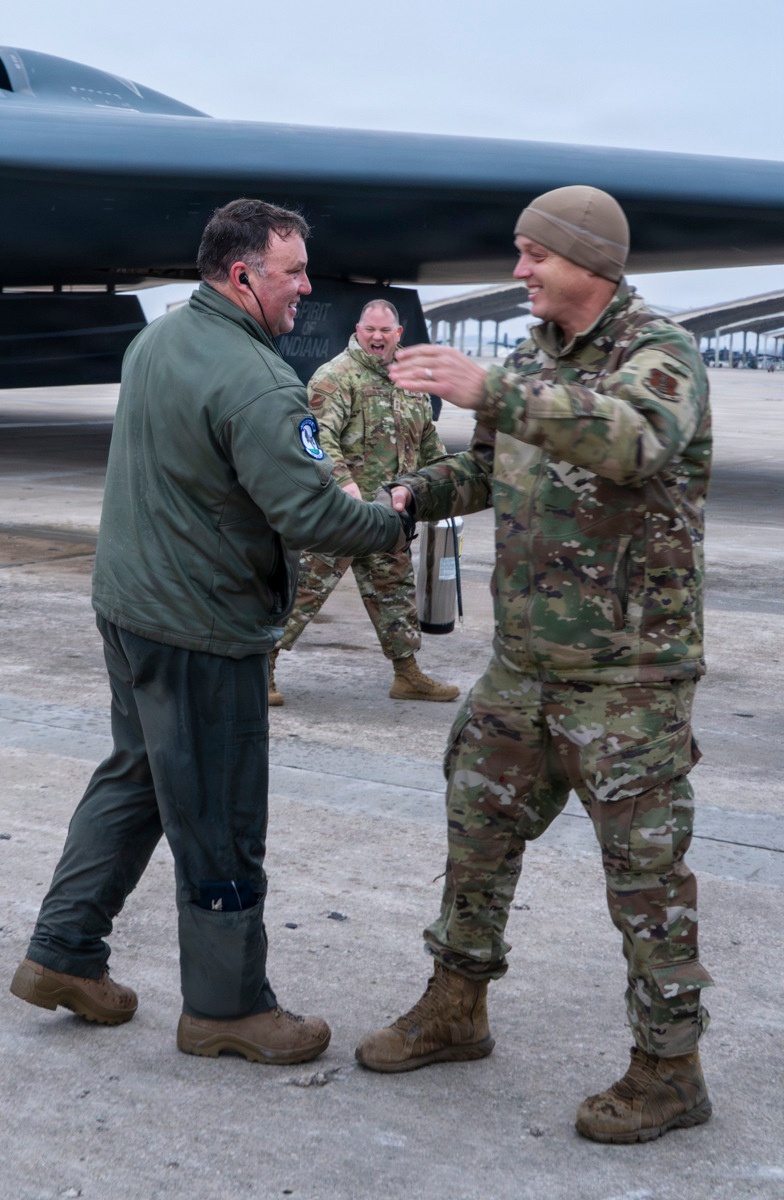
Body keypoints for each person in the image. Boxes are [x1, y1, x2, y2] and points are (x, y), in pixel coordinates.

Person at [9, 198, 412, 1066]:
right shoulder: (260, 380)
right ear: (242, 276)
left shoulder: (153, 341)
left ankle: (63, 954)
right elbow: (308, 511)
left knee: (141, 778)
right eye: (293, 270)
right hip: (200, 628)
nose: (307, 286)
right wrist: (393, 517)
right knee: (222, 816)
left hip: (129, 609)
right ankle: (227, 1008)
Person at [355, 186, 714, 1144]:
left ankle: (670, 1069)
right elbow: (486, 466)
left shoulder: (659, 352)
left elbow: (637, 443)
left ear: (587, 262)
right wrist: (411, 491)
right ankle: (455, 1007)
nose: (519, 272)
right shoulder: (529, 359)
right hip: (524, 666)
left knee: (644, 877)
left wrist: (491, 390)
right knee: (477, 829)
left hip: (628, 674)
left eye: (533, 255)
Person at [269, 299, 459, 705]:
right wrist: (345, 485)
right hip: (337, 513)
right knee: (303, 591)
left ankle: (407, 675)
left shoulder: (411, 381)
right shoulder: (336, 377)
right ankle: (260, 669)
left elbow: (429, 443)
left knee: (395, 592)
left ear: (398, 334)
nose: (376, 337)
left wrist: (446, 488)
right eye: (369, 330)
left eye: (384, 331)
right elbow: (317, 438)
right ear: (357, 330)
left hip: (389, 514)